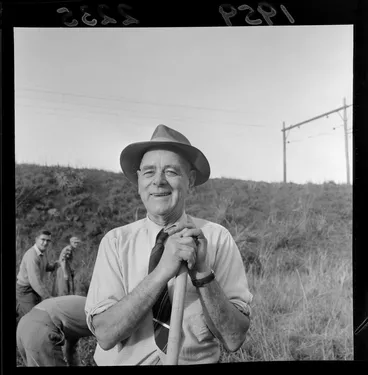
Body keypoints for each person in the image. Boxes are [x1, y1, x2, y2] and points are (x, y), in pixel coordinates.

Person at [85, 124, 253, 365]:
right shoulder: (115, 242)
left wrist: (203, 273)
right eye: (149, 172)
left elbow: (234, 338)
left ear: (190, 180)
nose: (159, 182)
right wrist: (162, 271)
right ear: (139, 180)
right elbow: (105, 335)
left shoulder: (217, 238)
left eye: (171, 172)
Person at [16, 295, 92, 366]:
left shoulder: (81, 309)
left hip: (25, 325)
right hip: (40, 329)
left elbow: (70, 349)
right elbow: (103, 350)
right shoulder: (99, 314)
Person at [16, 230, 61, 320]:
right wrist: (48, 297)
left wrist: (53, 266)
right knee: (33, 317)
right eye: (43, 239)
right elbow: (35, 281)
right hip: (25, 290)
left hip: (33, 289)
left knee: (26, 314)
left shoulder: (42, 253)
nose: (45, 243)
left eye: (48, 240)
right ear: (36, 239)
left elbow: (44, 266)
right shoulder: (32, 256)